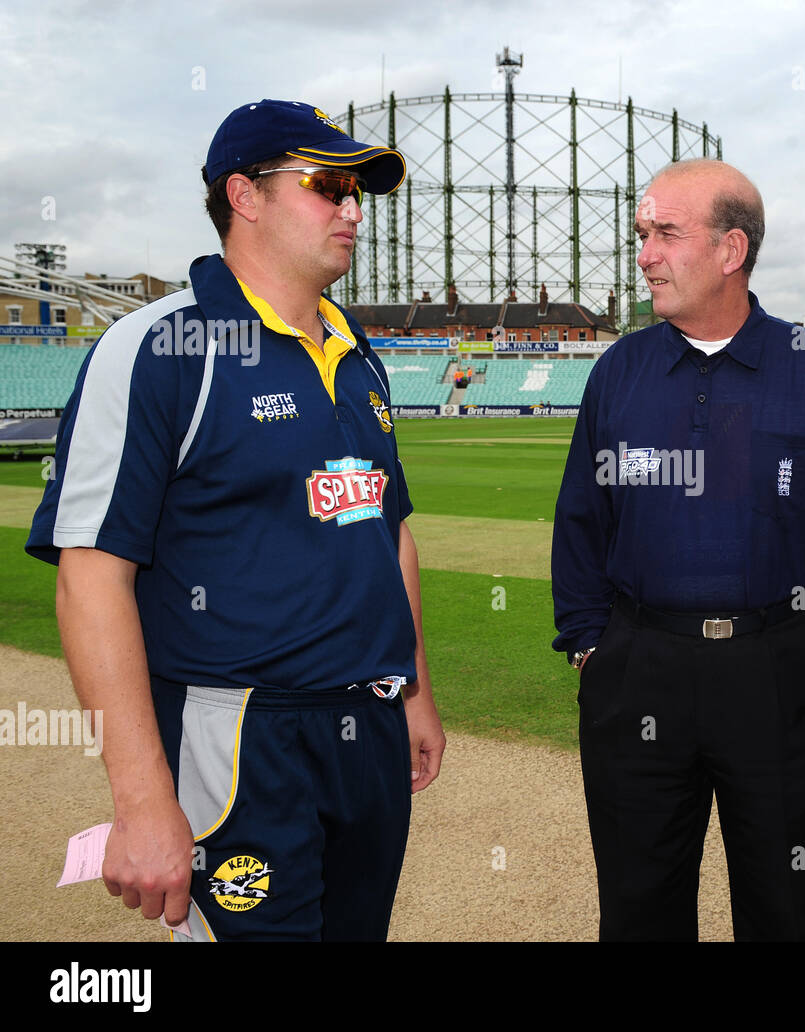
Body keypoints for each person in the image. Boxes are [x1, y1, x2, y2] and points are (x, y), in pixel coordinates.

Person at [27, 99, 446, 941]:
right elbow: (91, 577)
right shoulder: (158, 348)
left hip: (365, 721)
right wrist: (142, 799)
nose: (354, 210)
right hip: (237, 733)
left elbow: (386, 528)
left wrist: (414, 690)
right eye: (330, 186)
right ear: (244, 196)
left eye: (359, 190)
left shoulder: (356, 351)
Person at [551, 158, 805, 941]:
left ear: (731, 249)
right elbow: (580, 523)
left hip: (778, 678)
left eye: (666, 233)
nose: (644, 253)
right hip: (638, 671)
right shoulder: (619, 373)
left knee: (784, 909)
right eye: (642, 234)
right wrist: (589, 649)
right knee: (638, 910)